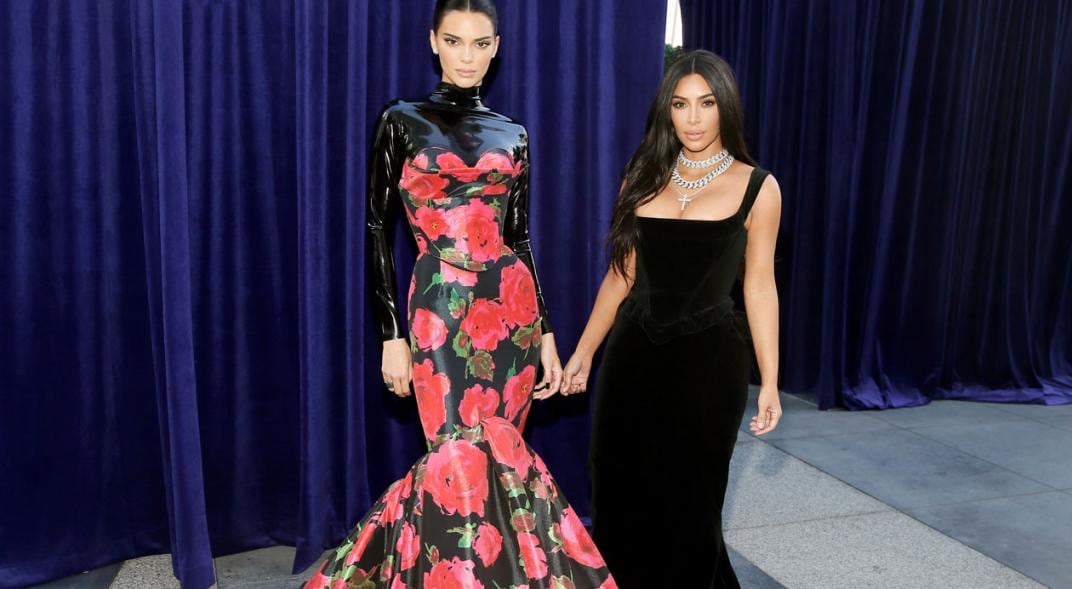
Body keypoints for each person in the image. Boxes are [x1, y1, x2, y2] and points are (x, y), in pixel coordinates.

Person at [304, 1, 615, 587]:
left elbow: (520, 240)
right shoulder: (399, 119)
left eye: (479, 43)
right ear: (433, 43)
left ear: (496, 47)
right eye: (454, 41)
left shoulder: (514, 132)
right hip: (437, 315)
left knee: (501, 462)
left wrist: (546, 333)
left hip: (511, 317)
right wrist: (391, 336)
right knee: (455, 460)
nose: (467, 56)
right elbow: (376, 229)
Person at [562, 50, 783, 588]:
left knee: (691, 505)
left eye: (706, 103)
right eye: (680, 104)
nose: (693, 118)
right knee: (614, 489)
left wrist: (771, 380)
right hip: (633, 358)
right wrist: (585, 351)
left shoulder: (759, 187)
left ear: (724, 107)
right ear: (667, 111)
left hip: (709, 366)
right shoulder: (642, 178)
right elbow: (621, 277)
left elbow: (759, 285)